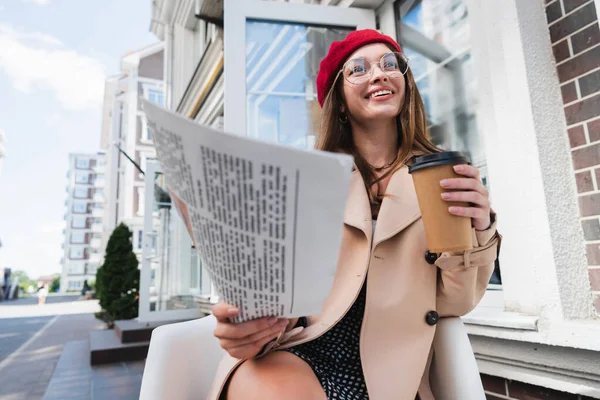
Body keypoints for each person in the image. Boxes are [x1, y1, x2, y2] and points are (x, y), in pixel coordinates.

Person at [208, 29, 501, 400]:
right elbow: (287, 293)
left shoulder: (438, 175)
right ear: (340, 103)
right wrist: (254, 323)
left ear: (404, 84)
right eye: (358, 69)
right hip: (307, 347)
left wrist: (480, 230)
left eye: (389, 64)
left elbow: (454, 303)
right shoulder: (309, 181)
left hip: (393, 364)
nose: (379, 74)